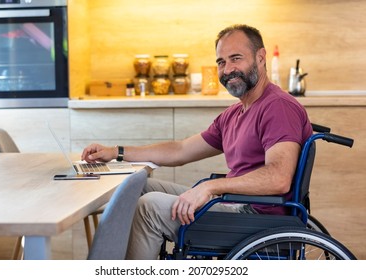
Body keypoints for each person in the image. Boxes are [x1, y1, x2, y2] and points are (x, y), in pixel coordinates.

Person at [81, 24, 313, 260]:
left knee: (149, 208)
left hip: (257, 217)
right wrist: (115, 152)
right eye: (221, 62)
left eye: (236, 58)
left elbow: (278, 178)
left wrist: (210, 187)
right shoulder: (234, 114)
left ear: (260, 57)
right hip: (234, 204)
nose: (228, 69)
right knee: (136, 187)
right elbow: (180, 150)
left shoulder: (278, 107)